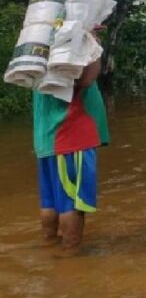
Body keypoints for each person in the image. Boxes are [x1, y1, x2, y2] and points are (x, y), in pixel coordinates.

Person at [35, 53, 109, 256]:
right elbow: (86, 78)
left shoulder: (41, 46)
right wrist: (93, 45)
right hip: (71, 135)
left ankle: (49, 244)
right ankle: (70, 254)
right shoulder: (74, 40)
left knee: (50, 201)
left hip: (46, 137)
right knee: (72, 203)